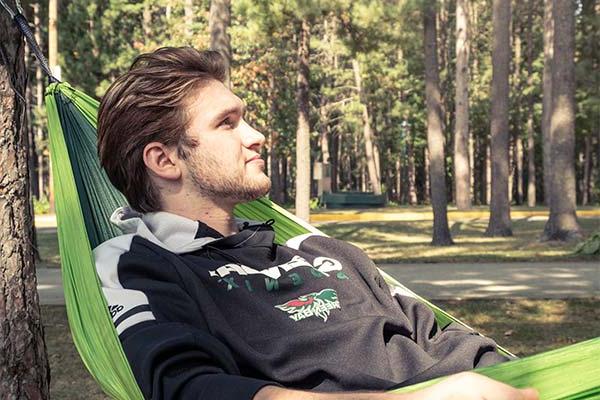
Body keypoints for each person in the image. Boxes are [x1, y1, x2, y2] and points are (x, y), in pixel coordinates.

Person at [95, 47, 538, 400]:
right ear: (164, 159)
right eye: (227, 124)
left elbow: (440, 335)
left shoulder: (323, 250)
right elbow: (188, 387)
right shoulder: (145, 264)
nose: (255, 135)